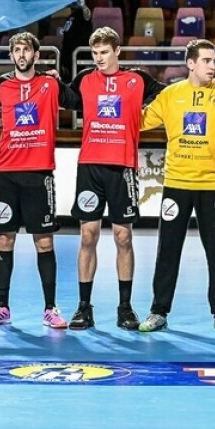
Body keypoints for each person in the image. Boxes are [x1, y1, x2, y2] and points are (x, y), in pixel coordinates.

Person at [137, 39, 215, 333]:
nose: (213, 66)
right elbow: (139, 121)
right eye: (206, 61)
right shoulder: (170, 95)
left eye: (214, 60)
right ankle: (158, 311)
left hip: (212, 183)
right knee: (168, 250)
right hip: (176, 183)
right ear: (190, 63)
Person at [67, 27, 167, 330]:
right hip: (90, 166)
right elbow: (60, 97)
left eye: (104, 52)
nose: (99, 58)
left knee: (124, 237)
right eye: (95, 53)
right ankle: (84, 306)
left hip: (123, 167)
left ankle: (125, 307)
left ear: (117, 51)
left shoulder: (137, 80)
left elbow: (171, 96)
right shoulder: (84, 79)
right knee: (88, 236)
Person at [0, 33, 80, 329]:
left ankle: (50, 308)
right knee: (4, 239)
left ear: (36, 55)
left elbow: (78, 100)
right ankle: (2, 307)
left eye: (27, 50)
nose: (21, 54)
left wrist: (61, 81)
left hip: (39, 174)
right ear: (11, 55)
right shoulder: (1, 85)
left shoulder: (50, 84)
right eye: (17, 50)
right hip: (6, 174)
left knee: (44, 241)